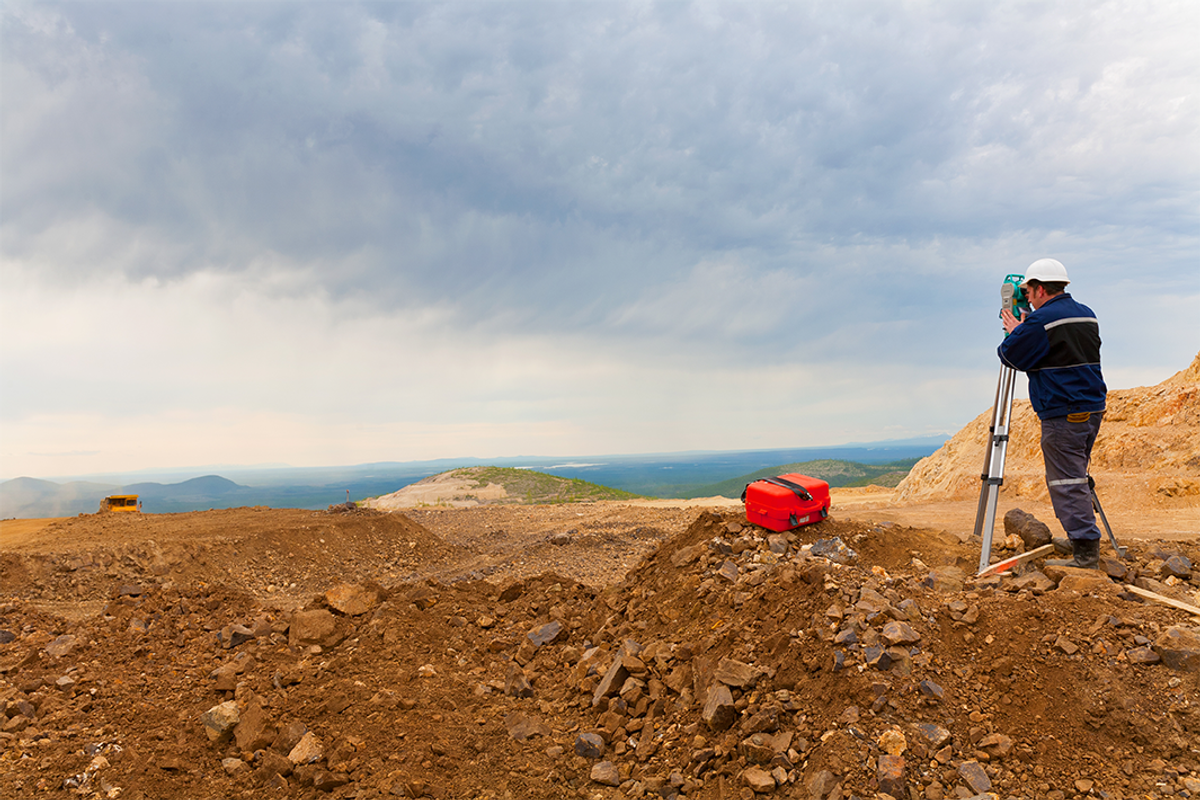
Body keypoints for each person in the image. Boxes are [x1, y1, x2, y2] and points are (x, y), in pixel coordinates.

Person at [998, 258, 1107, 569]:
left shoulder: (1040, 322)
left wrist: (1017, 330)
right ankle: (1080, 537)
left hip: (1064, 411)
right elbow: (1059, 354)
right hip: (1091, 407)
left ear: (1040, 288)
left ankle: (1085, 551)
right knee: (1076, 474)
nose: (1027, 298)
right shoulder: (1087, 314)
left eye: (1029, 292)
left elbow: (1009, 355)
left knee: (1065, 480)